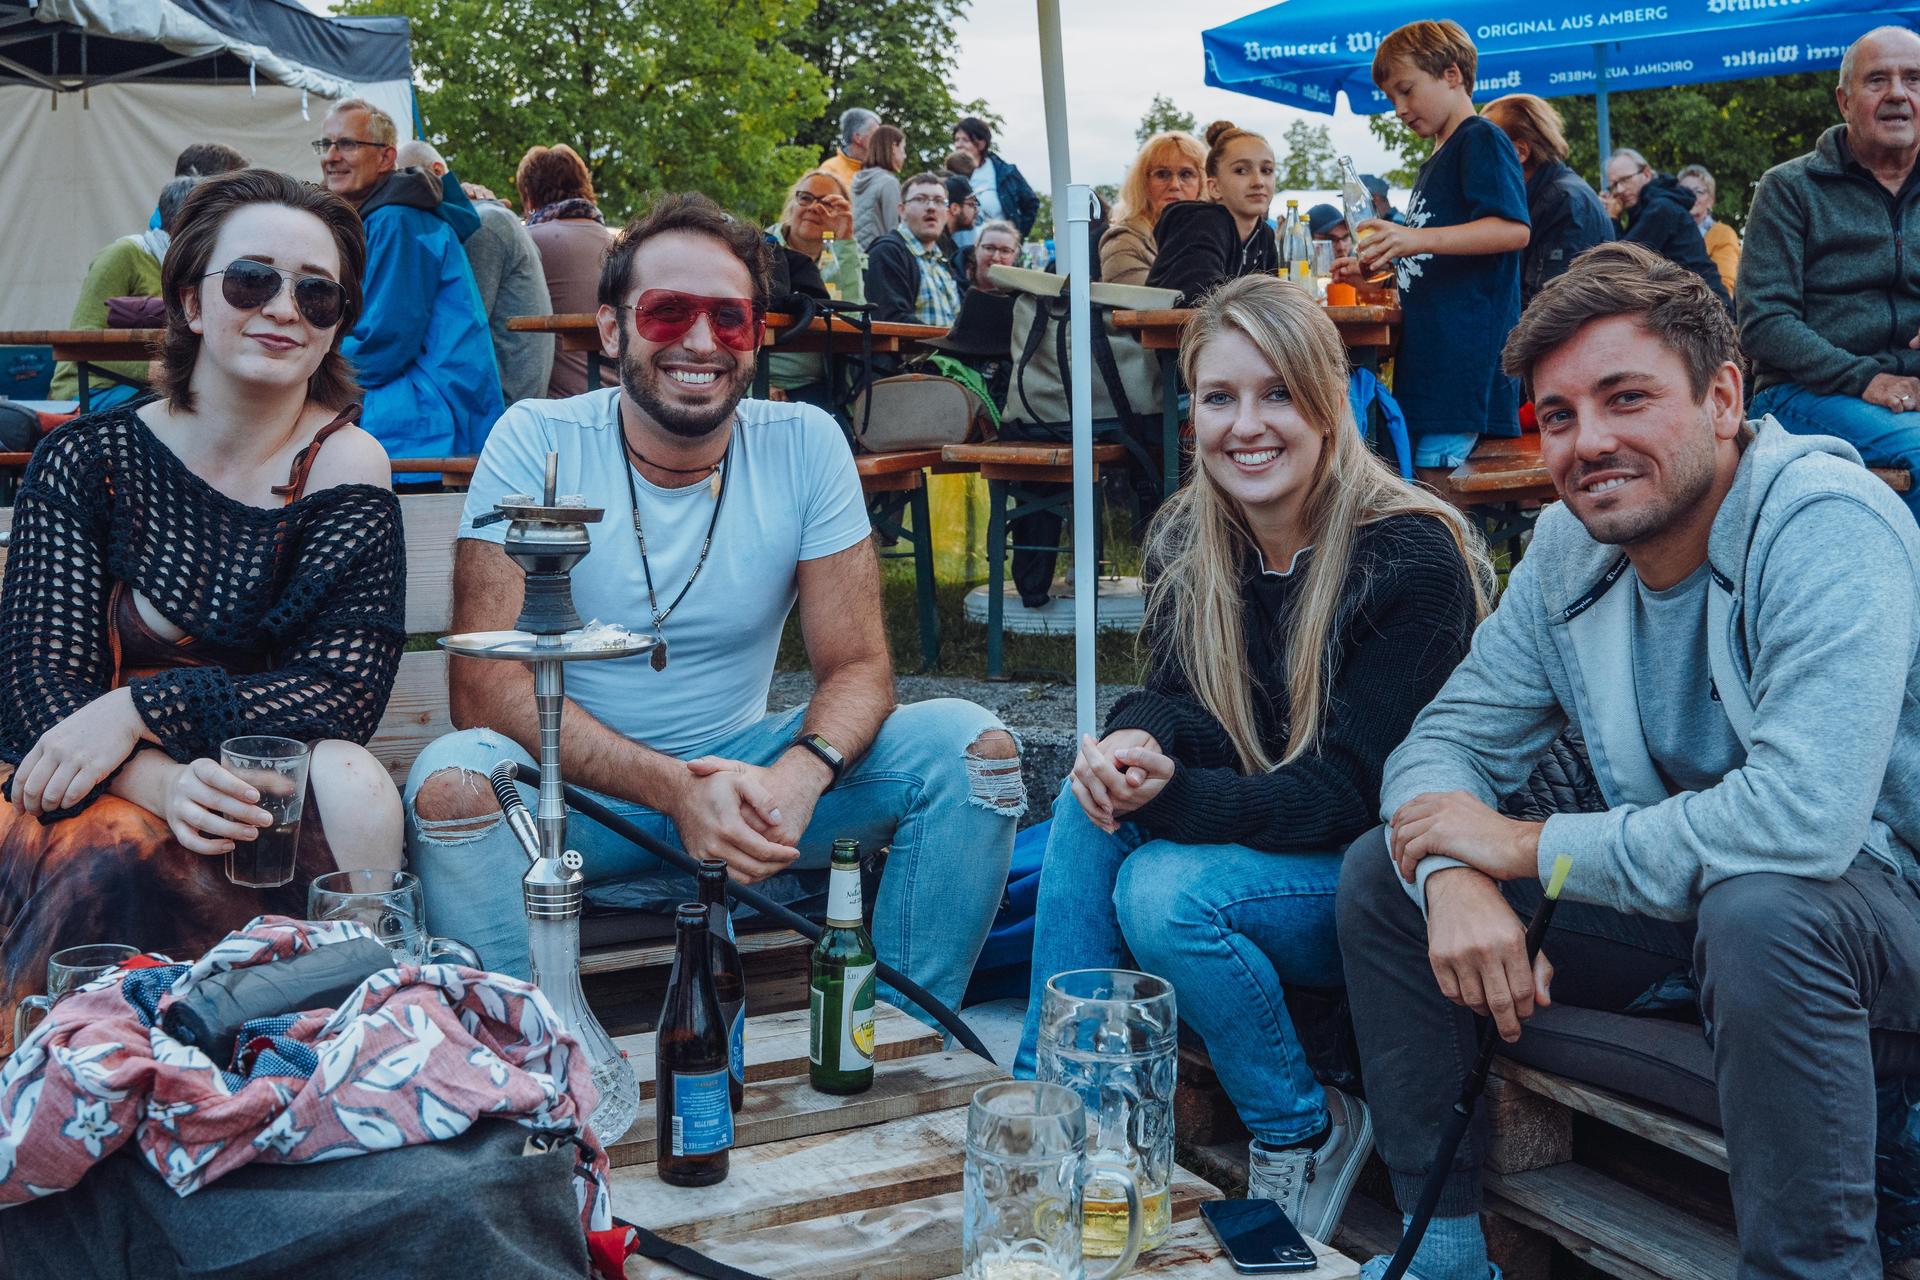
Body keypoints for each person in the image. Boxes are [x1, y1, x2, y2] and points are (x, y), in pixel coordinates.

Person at [1340, 240, 1920, 1280]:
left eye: (1625, 398)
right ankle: (1452, 1249)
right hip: (1694, 898)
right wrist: (1454, 871)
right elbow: (1444, 738)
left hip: (1876, 906)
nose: (1587, 442)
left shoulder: (1827, 524)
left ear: (1724, 396)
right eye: (1558, 415)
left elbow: (1805, 823)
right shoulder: (1572, 545)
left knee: (1765, 907)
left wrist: (1521, 845)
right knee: (1382, 873)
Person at [401, 193, 1023, 1022]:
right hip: (578, 794)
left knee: (971, 749)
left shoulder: (804, 441)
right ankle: (536, 1070)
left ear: (757, 337)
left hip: (750, 785)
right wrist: (673, 793)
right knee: (452, 783)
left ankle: (900, 1047)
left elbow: (861, 667)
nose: (700, 341)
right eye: (667, 312)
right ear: (614, 329)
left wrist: (803, 776)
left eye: (730, 319)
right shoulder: (536, 437)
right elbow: (486, 688)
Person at [1016, 273, 1488, 1241]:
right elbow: (1184, 700)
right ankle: (1058, 1110)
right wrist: (1139, 741)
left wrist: (1178, 795)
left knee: (1163, 891)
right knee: (1088, 799)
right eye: (1220, 397)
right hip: (1273, 856)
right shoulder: (1193, 537)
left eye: (1276, 393)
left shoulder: (1410, 555)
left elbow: (1351, 792)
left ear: (1327, 401)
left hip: (1384, 884)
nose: (1247, 425)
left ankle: (1300, 1122)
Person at [0, 168, 408, 1053]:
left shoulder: (348, 466)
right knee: (104, 848)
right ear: (190, 300)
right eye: (251, 279)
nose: (283, 308)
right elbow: (37, 689)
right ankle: (65, 1101)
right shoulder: (87, 461)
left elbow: (343, 693)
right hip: (74, 775)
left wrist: (142, 708)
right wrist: (155, 779)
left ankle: (246, 1088)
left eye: (317, 292)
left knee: (327, 794)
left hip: (252, 792)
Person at [1742, 25, 1920, 524]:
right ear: (1844, 101)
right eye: (1877, 80)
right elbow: (1763, 322)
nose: (1898, 95)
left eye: (1914, 79)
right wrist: (1867, 379)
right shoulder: (1789, 188)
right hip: (1803, 393)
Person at [1339, 20, 1529, 479]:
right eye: (1391, 99)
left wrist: (1412, 239)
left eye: (1406, 90)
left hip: (1463, 373)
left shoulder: (1480, 138)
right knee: (1418, 485)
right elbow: (1433, 258)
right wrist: (1380, 266)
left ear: (1451, 74)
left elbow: (1511, 230)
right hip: (1431, 366)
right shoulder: (1436, 158)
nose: (1399, 109)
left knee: (1437, 497)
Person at [316, 97, 503, 460]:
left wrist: (306, 371)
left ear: (386, 158)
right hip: (423, 413)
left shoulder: (397, 220)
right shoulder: (382, 215)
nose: (331, 156)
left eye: (348, 144)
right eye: (326, 144)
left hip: (426, 422)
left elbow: (382, 343)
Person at [398, 139, 554, 406]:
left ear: (436, 171)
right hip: (501, 392)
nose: (398, 197)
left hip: (501, 403)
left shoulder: (484, 226)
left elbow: (460, 329)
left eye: (406, 183)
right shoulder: (487, 217)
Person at [48, 176, 200, 406]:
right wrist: (152, 370)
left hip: (155, 387)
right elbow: (82, 335)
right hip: (92, 388)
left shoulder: (192, 269)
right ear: (188, 224)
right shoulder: (124, 255)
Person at [1484, 93, 1613, 307]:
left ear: (1520, 151)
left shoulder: (1564, 202)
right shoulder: (1549, 194)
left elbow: (1544, 306)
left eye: (1485, 146)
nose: (1475, 158)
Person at [515, 143, 617, 399]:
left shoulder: (528, 242)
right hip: (619, 398)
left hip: (556, 403)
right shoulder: (620, 245)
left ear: (528, 196)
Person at [1146, 122, 1279, 305]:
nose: (1258, 181)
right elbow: (1202, 297)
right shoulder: (1201, 223)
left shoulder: (1264, 235)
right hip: (1176, 332)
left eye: (1266, 170)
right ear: (1214, 187)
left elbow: (1276, 300)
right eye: (1241, 170)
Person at [766, 169, 857, 408]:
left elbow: (854, 318)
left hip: (821, 390)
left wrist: (846, 239)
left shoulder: (844, 259)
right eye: (806, 198)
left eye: (828, 204)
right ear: (791, 206)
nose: (814, 208)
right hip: (762, 385)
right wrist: (755, 384)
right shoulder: (757, 250)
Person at [1600, 148, 1731, 308]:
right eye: (1614, 185)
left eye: (1625, 180)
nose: (1619, 190)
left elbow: (1619, 265)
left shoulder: (1660, 209)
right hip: (1699, 306)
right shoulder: (1650, 207)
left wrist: (1612, 218)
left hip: (1708, 311)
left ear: (1646, 173)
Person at [1101, 131, 1207, 286]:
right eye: (1162, 174)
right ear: (1143, 183)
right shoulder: (1123, 242)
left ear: (1202, 183)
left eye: (1186, 174)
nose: (1174, 185)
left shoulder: (1214, 235)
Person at [864, 172, 964, 328]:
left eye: (938, 201)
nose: (931, 207)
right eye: (920, 199)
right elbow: (891, 320)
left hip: (947, 351)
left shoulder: (943, 261)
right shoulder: (887, 252)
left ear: (947, 213)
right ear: (902, 210)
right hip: (913, 351)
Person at [953, 117, 1040, 238]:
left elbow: (1031, 204)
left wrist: (1017, 237)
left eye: (965, 140)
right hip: (960, 251)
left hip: (998, 248)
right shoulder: (951, 174)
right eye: (956, 140)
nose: (959, 145)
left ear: (981, 143)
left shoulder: (1006, 173)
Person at [1676, 164, 1740, 297]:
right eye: (1683, 191)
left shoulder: (1723, 233)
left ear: (1710, 201)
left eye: (1698, 191)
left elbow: (1725, 288)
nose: (1690, 197)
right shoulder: (1668, 231)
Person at [853, 125, 908, 251]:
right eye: (903, 149)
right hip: (880, 257)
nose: (905, 155)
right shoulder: (888, 182)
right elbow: (895, 230)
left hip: (858, 256)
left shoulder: (857, 180)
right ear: (894, 147)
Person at [821, 107, 880, 194]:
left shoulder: (879, 171)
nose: (880, 139)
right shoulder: (829, 171)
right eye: (876, 134)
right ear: (858, 137)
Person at [938, 174, 981, 276]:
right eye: (971, 204)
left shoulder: (949, 243)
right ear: (954, 208)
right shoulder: (938, 245)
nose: (976, 210)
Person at [968, 220, 1022, 292]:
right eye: (989, 248)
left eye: (1005, 251)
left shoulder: (1021, 297)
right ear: (976, 249)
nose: (996, 258)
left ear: (1014, 256)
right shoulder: (954, 287)